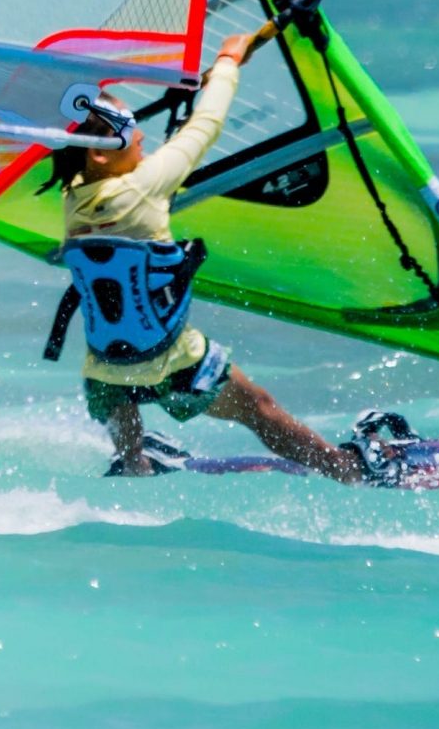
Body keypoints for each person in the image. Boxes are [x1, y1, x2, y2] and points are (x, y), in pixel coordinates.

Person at [48, 33, 376, 482]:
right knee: (258, 409)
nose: (140, 133)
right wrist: (229, 60)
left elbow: (70, 142)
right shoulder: (142, 186)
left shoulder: (71, 198)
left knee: (122, 420)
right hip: (176, 363)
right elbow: (207, 125)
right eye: (127, 127)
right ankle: (347, 469)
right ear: (99, 156)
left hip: (105, 373)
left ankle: (134, 461)